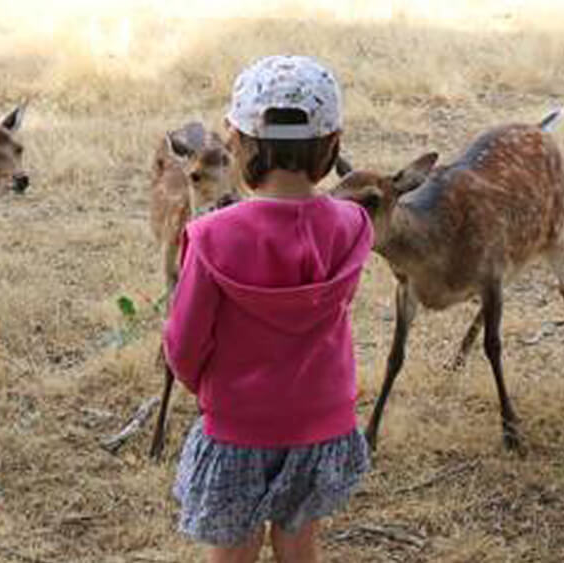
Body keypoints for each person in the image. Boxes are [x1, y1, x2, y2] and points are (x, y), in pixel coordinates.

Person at [164, 55, 373, 563]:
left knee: (233, 549)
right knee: (299, 542)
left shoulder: (212, 236)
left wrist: (210, 388)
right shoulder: (352, 226)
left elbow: (184, 345)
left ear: (235, 141)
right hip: (322, 421)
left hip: (238, 423)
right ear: (333, 144)